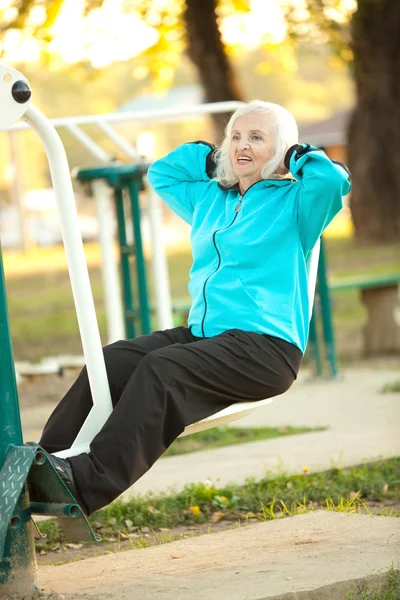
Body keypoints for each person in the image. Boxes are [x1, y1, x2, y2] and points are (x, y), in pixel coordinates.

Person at [33, 100, 351, 516]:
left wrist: (296, 156)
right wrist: (216, 157)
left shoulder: (297, 205)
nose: (242, 146)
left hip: (265, 349)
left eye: (257, 138)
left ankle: (85, 481)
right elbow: (162, 173)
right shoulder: (211, 199)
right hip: (208, 335)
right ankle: (41, 465)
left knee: (162, 371)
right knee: (110, 362)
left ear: (281, 149)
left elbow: (332, 181)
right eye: (236, 136)